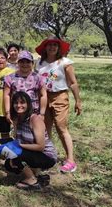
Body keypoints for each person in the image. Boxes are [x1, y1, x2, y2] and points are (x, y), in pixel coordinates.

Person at [35, 35, 82, 173]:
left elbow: (73, 83)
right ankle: (49, 155)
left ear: (59, 48)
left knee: (62, 128)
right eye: (49, 45)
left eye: (55, 45)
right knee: (45, 128)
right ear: (45, 47)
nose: (52, 47)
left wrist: (78, 100)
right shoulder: (39, 63)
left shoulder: (65, 62)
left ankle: (70, 160)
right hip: (43, 97)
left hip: (60, 96)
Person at [0, 91, 57, 190]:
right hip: (31, 152)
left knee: (15, 154)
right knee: (9, 164)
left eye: (22, 103)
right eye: (16, 103)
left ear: (28, 104)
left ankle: (32, 181)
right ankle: (36, 174)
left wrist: (19, 146)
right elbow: (19, 140)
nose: (19, 105)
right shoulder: (18, 119)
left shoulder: (35, 119)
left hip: (46, 155)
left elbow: (40, 146)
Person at [3, 50, 47, 121]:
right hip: (17, 112)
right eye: (22, 62)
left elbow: (43, 95)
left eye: (28, 62)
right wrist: (7, 112)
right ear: (18, 63)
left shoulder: (39, 78)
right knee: (18, 132)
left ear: (32, 63)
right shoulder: (10, 77)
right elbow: (6, 95)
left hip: (34, 113)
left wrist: (42, 113)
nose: (25, 64)